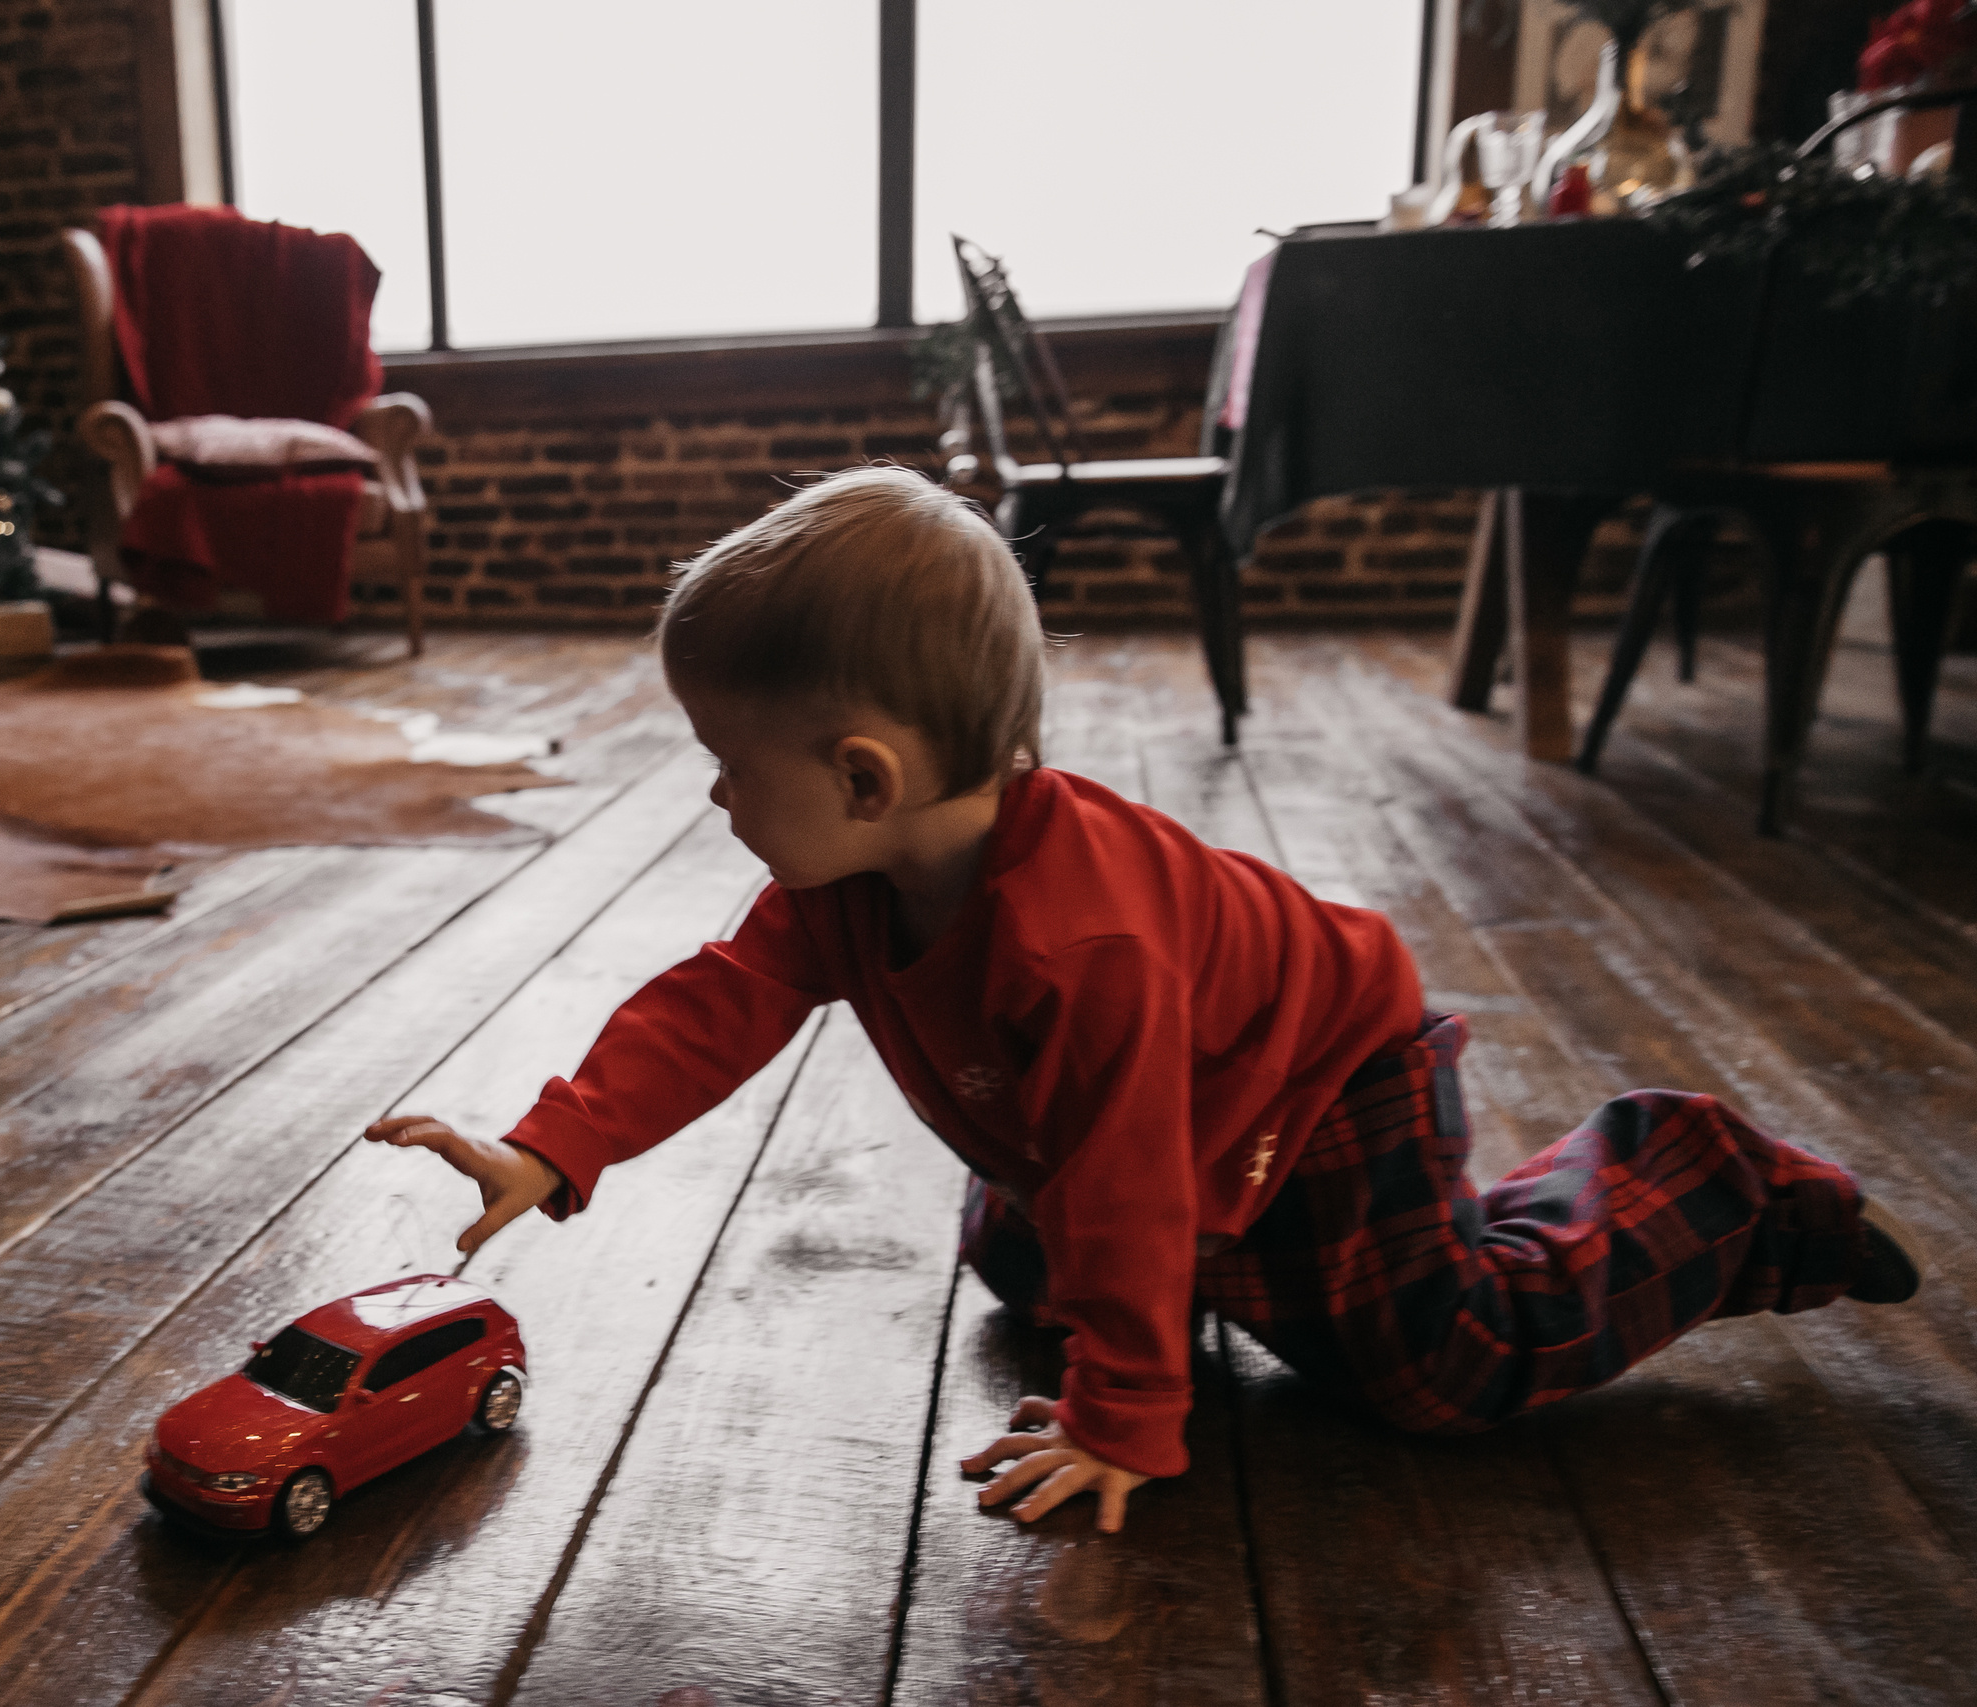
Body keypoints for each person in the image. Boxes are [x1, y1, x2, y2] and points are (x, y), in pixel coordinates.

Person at [364, 465, 1926, 1535]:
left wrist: (1125, 1416)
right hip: (1147, 1119)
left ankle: (1708, 1181)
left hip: (1324, 1074)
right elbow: (713, 1005)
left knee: (1430, 1366)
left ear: (864, 775)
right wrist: (553, 1147)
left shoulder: (1080, 948)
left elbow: (1127, 1161)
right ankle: (1167, 1274)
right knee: (1039, 1260)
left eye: (728, 765)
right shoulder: (845, 884)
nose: (712, 796)